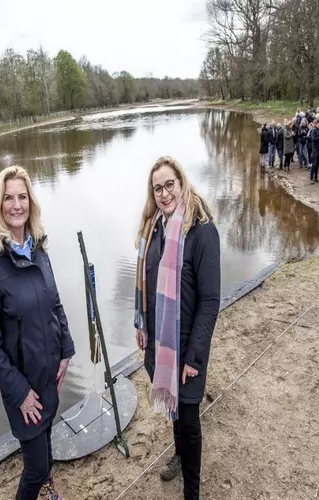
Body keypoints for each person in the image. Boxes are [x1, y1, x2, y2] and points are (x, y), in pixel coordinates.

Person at [0, 165, 75, 500]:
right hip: (23, 391)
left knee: (46, 454)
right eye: (8, 198)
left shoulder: (38, 250)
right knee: (34, 469)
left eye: (22, 197)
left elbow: (55, 304)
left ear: (31, 202)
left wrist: (66, 351)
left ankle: (48, 494)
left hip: (49, 377)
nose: (16, 205)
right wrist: (19, 393)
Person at [134, 156, 220, 500]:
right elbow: (144, 279)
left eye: (170, 184)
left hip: (187, 349)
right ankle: (180, 455)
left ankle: (192, 490)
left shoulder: (201, 230)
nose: (165, 193)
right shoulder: (154, 227)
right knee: (174, 410)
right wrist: (139, 322)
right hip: (160, 343)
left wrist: (194, 357)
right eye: (158, 188)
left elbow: (210, 301)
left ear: (181, 183)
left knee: (189, 418)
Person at [309, 119, 319, 183]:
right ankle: (311, 178)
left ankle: (316, 177)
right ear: (317, 123)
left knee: (318, 165)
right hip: (315, 150)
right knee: (314, 164)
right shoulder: (314, 130)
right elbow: (313, 139)